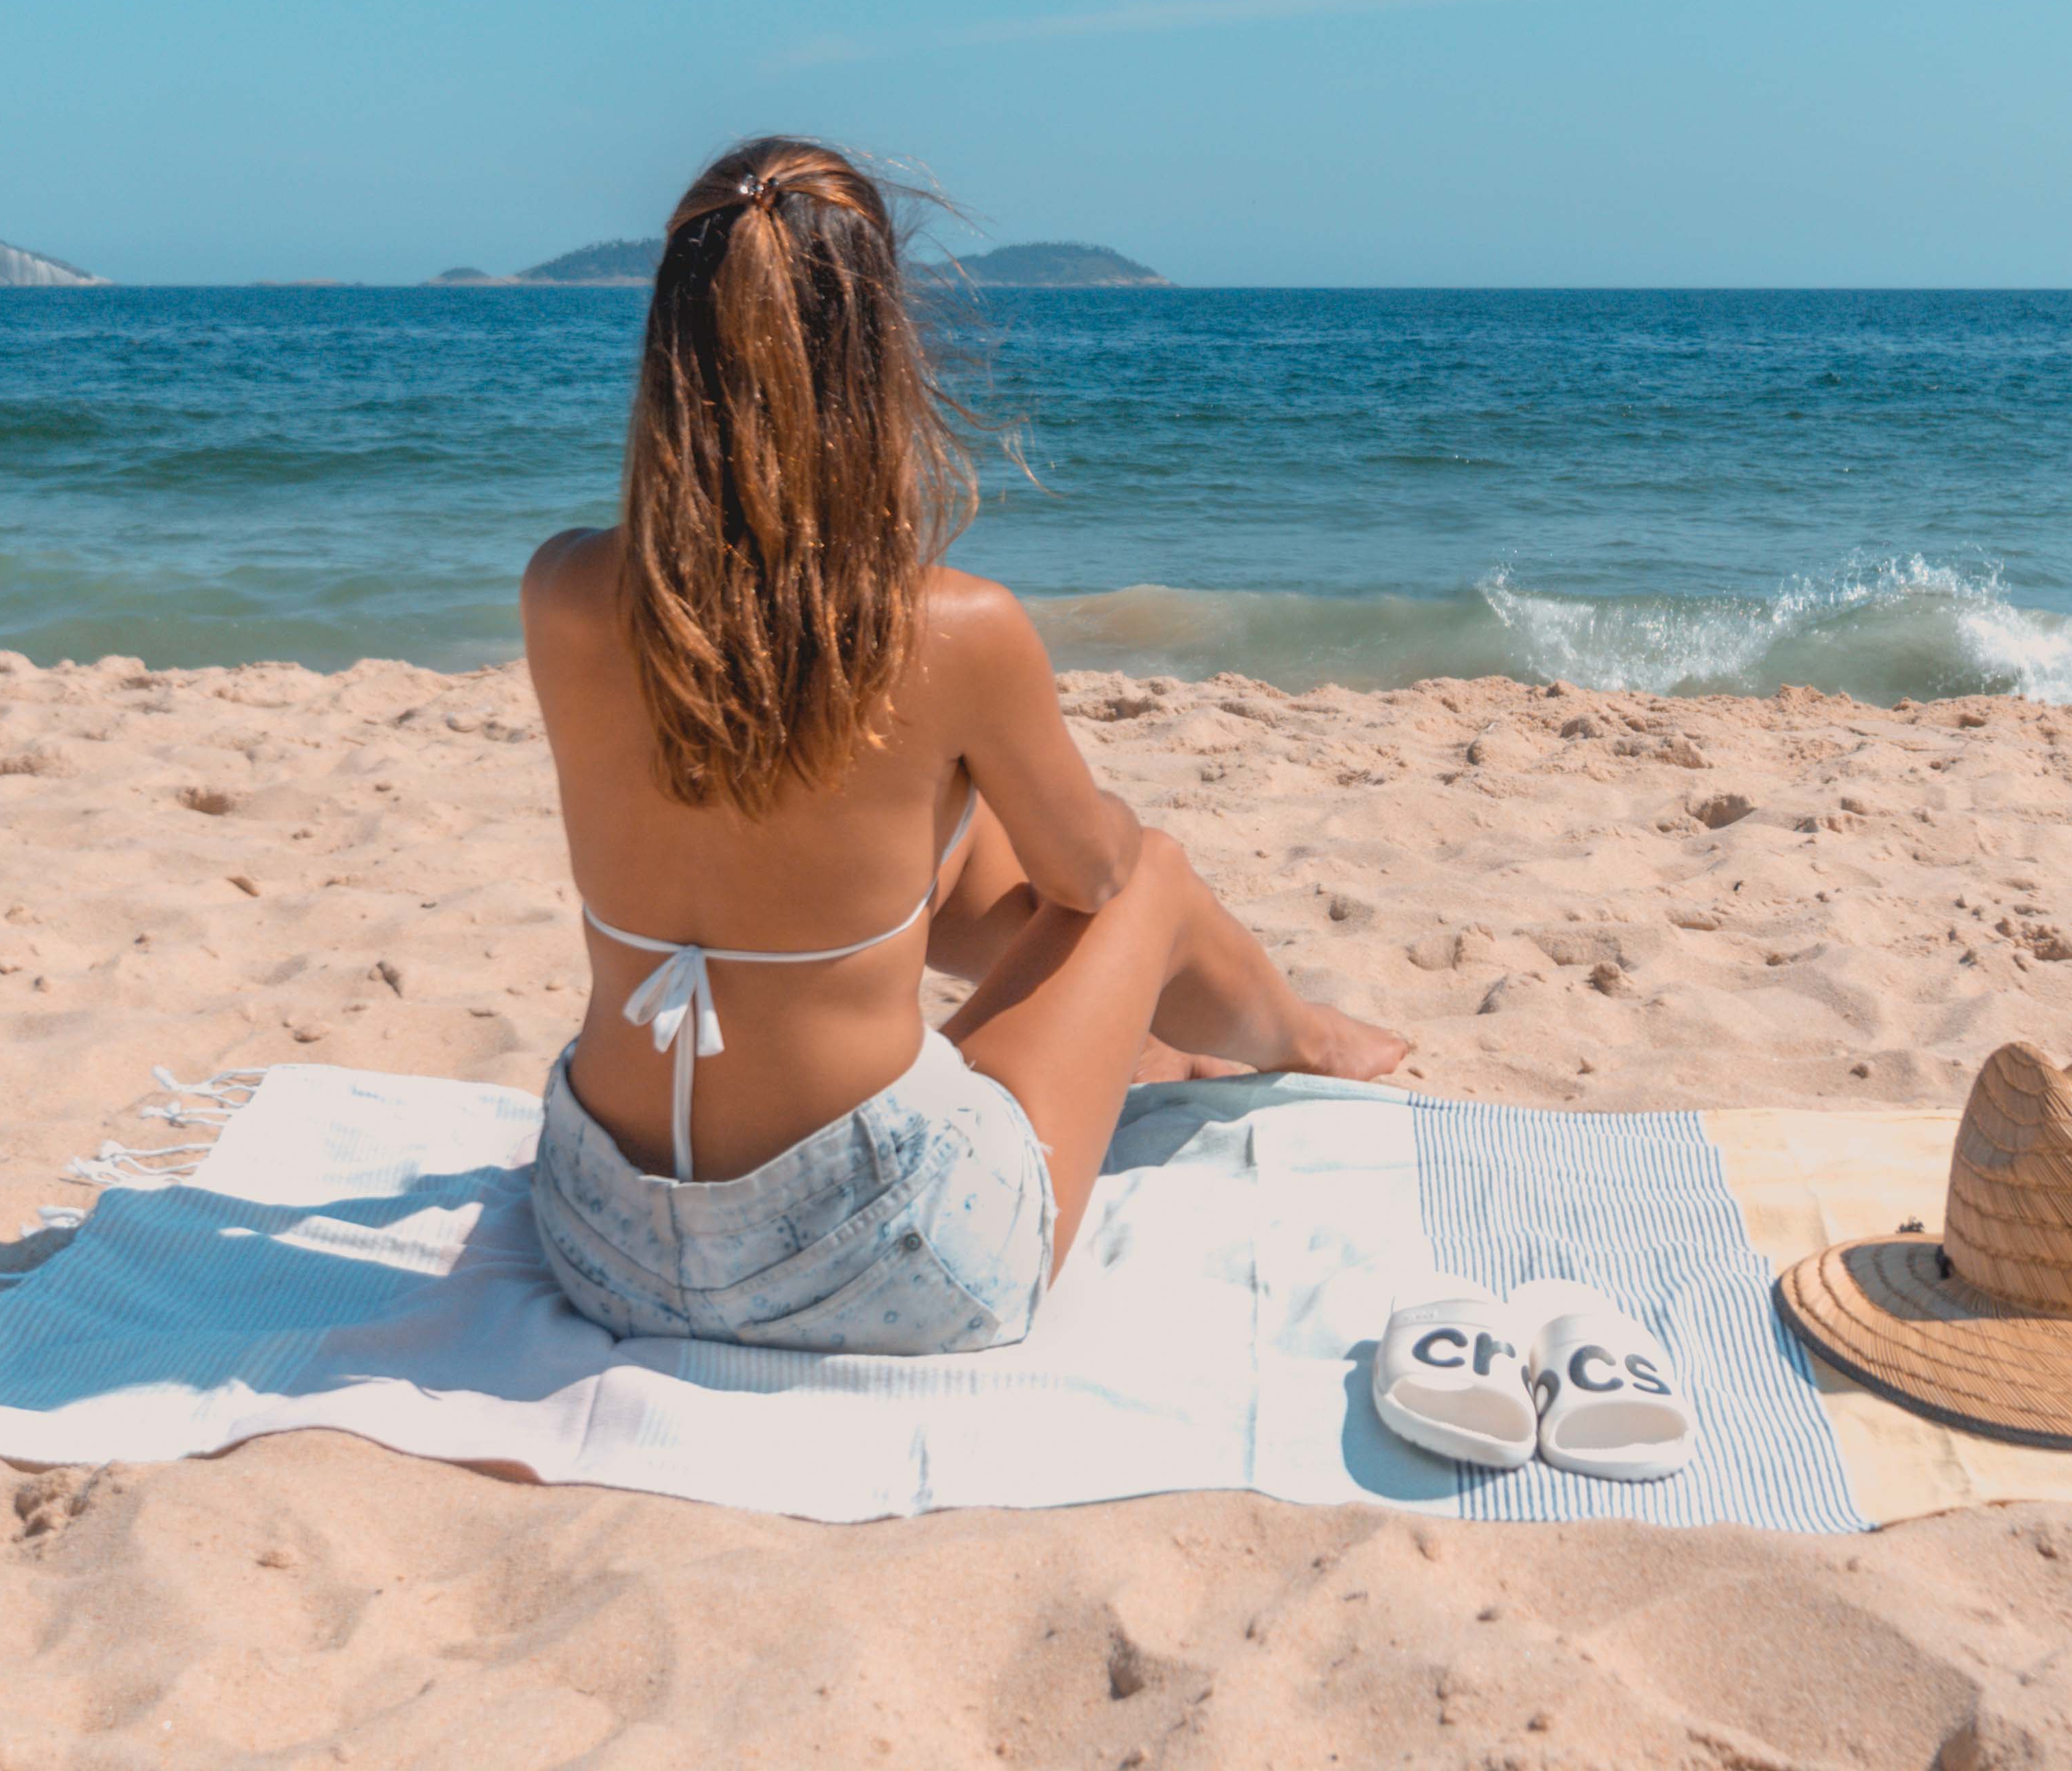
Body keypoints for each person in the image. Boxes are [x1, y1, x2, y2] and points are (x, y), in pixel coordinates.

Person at [517, 136, 1411, 1355]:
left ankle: (1153, 1042)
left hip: (597, 1238)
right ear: (876, 350)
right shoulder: (952, 627)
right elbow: (1089, 880)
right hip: (873, 1262)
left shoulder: (565, 587)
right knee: (1141, 869)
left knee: (928, 844)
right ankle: (1298, 1036)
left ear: (670, 348)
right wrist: (1075, 834)